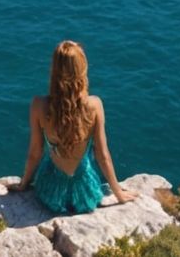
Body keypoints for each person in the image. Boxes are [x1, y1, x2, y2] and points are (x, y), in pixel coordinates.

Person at [11, 40, 137, 213]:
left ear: (54, 70)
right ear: (82, 69)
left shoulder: (38, 105)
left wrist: (23, 184)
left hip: (51, 191)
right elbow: (102, 155)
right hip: (85, 192)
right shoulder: (94, 105)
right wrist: (119, 194)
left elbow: (35, 153)